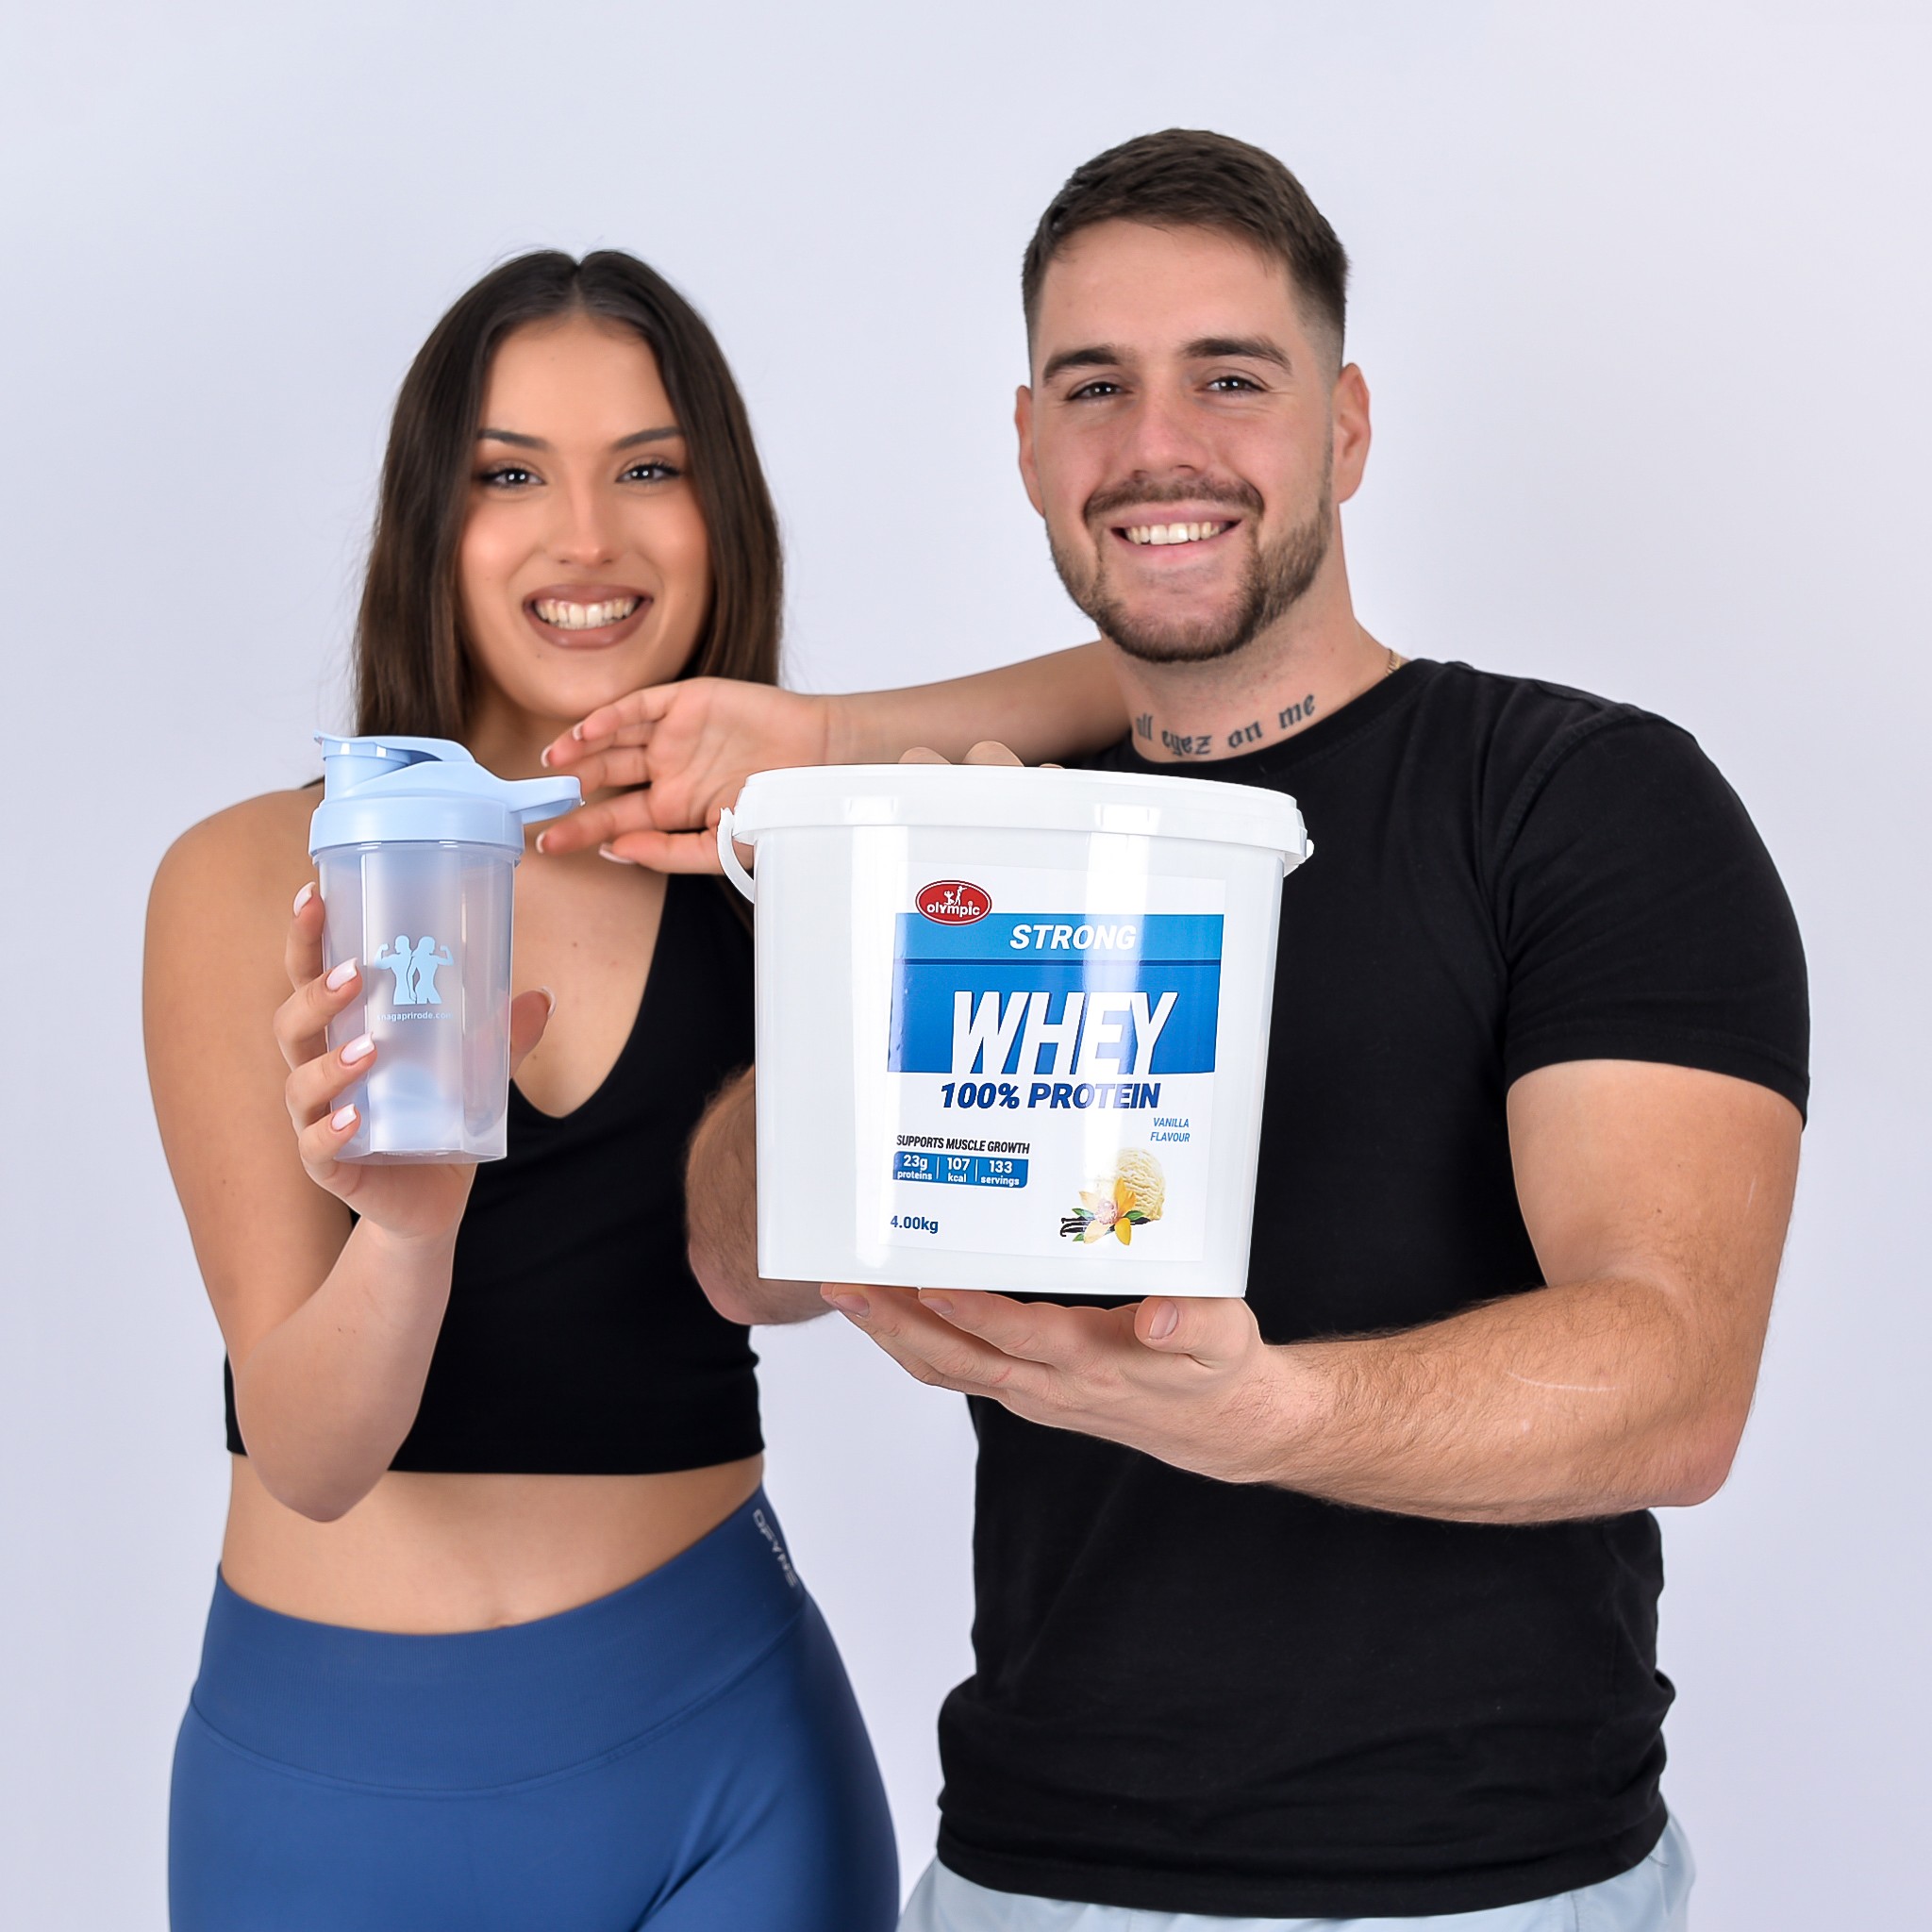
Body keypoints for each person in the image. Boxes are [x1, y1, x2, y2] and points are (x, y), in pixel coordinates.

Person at [656, 131, 1807, 1931]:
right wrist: (864, 930)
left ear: (1345, 427)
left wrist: (1264, 1415)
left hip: (1486, 1884)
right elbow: (744, 1263)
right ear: (1028, 446)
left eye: (1231, 379)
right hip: (1030, 1871)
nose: (1157, 445)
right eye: (1094, 386)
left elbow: (1678, 1384)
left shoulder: (1578, 803)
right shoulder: (991, 838)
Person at [143, 246, 1106, 1931]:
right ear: (428, 526)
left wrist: (811, 742)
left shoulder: (778, 867)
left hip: (727, 1771)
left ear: (720, 514)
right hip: (325, 1794)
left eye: (649, 470)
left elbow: (1135, 687)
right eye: (511, 476)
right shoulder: (247, 880)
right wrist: (409, 1229)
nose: (585, 538)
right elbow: (310, 1453)